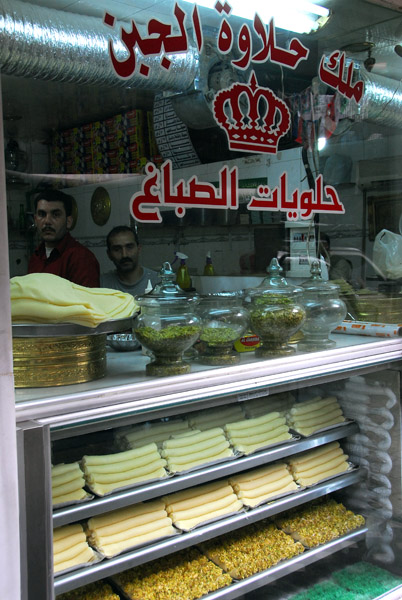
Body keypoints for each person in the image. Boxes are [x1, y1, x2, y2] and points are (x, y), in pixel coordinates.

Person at [28, 189, 100, 287]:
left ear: (68, 222)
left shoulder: (81, 258)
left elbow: (87, 301)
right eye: (42, 214)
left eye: (55, 214)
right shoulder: (36, 257)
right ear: (36, 220)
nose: (47, 221)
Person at [101, 226, 159, 296]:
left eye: (129, 247)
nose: (124, 255)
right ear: (109, 254)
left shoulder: (158, 282)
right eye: (117, 249)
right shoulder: (102, 284)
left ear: (139, 249)